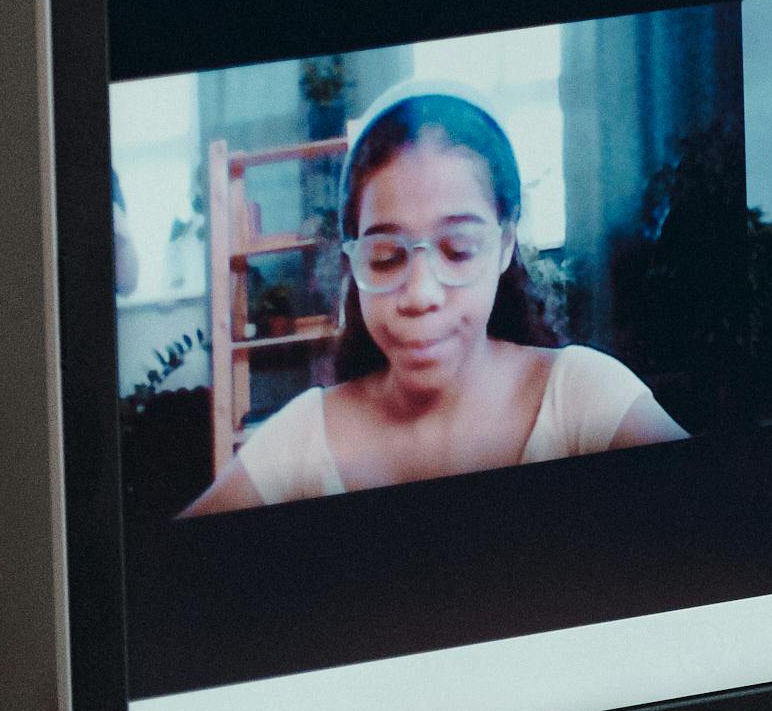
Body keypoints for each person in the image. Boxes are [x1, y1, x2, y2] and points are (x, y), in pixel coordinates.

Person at [188, 87, 681, 508]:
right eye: (385, 257)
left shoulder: (583, 399)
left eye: (458, 250)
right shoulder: (300, 441)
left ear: (506, 242)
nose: (420, 294)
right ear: (354, 264)